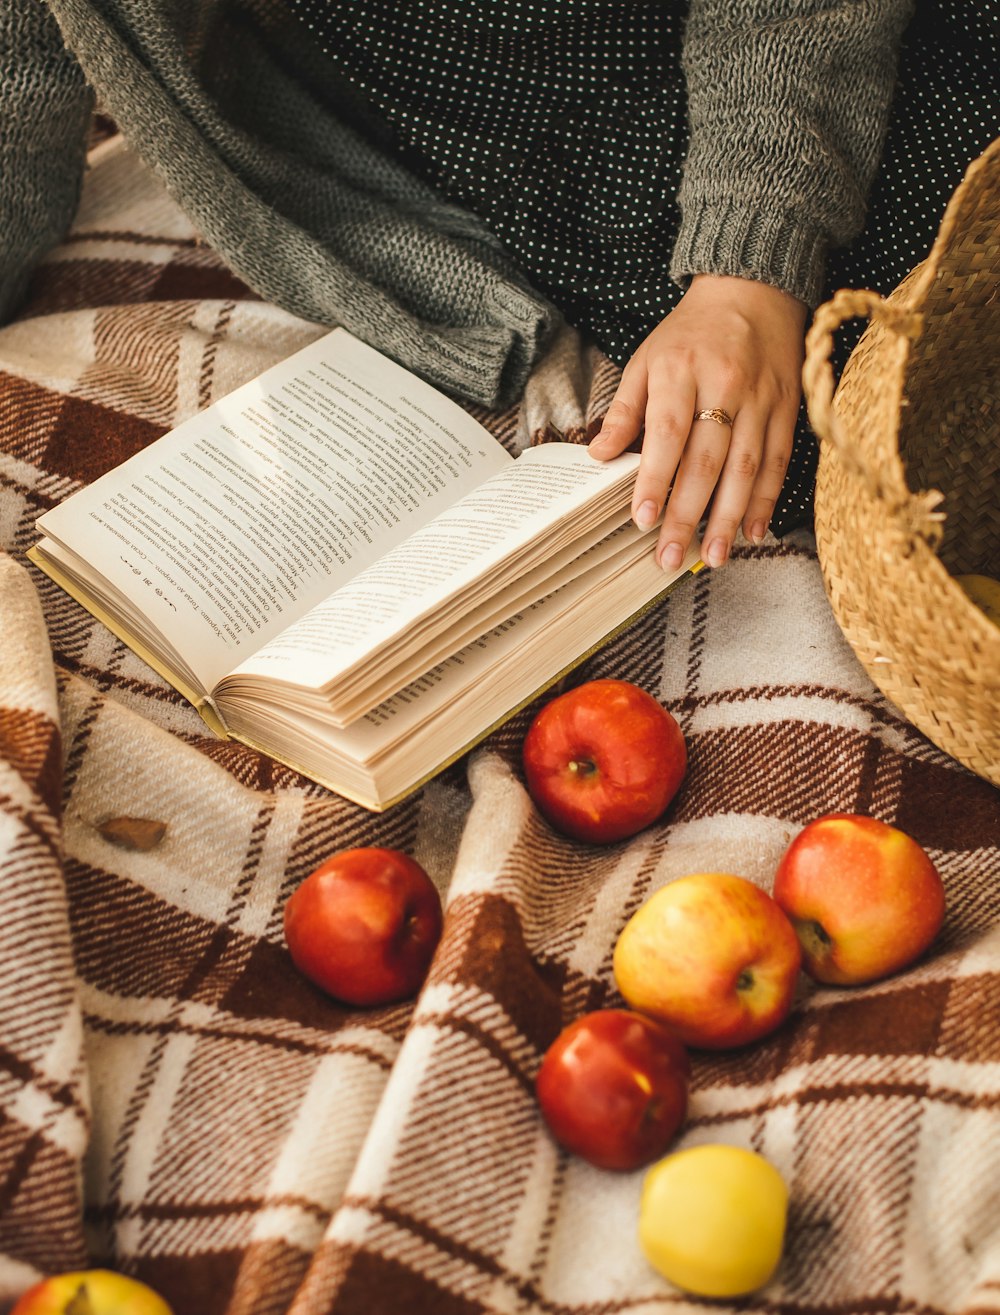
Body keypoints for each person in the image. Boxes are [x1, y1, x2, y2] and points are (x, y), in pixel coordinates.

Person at [3, 0, 997, 571]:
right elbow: (16, 93)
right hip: (472, 124)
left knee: (940, 379)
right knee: (846, 465)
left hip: (775, 68)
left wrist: (747, 267)